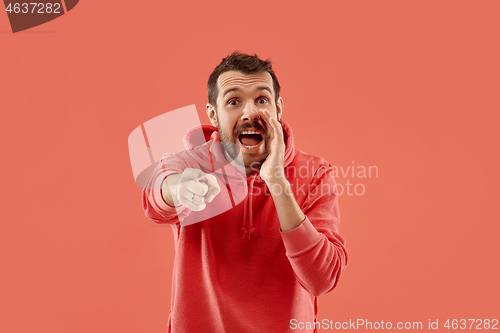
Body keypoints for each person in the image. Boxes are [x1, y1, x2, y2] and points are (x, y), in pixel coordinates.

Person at [142, 52, 348, 333]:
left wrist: (277, 181)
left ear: (278, 108)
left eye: (261, 100)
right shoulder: (191, 163)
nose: (250, 112)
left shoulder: (315, 173)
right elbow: (156, 199)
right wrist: (177, 189)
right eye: (234, 101)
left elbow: (322, 279)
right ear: (213, 113)